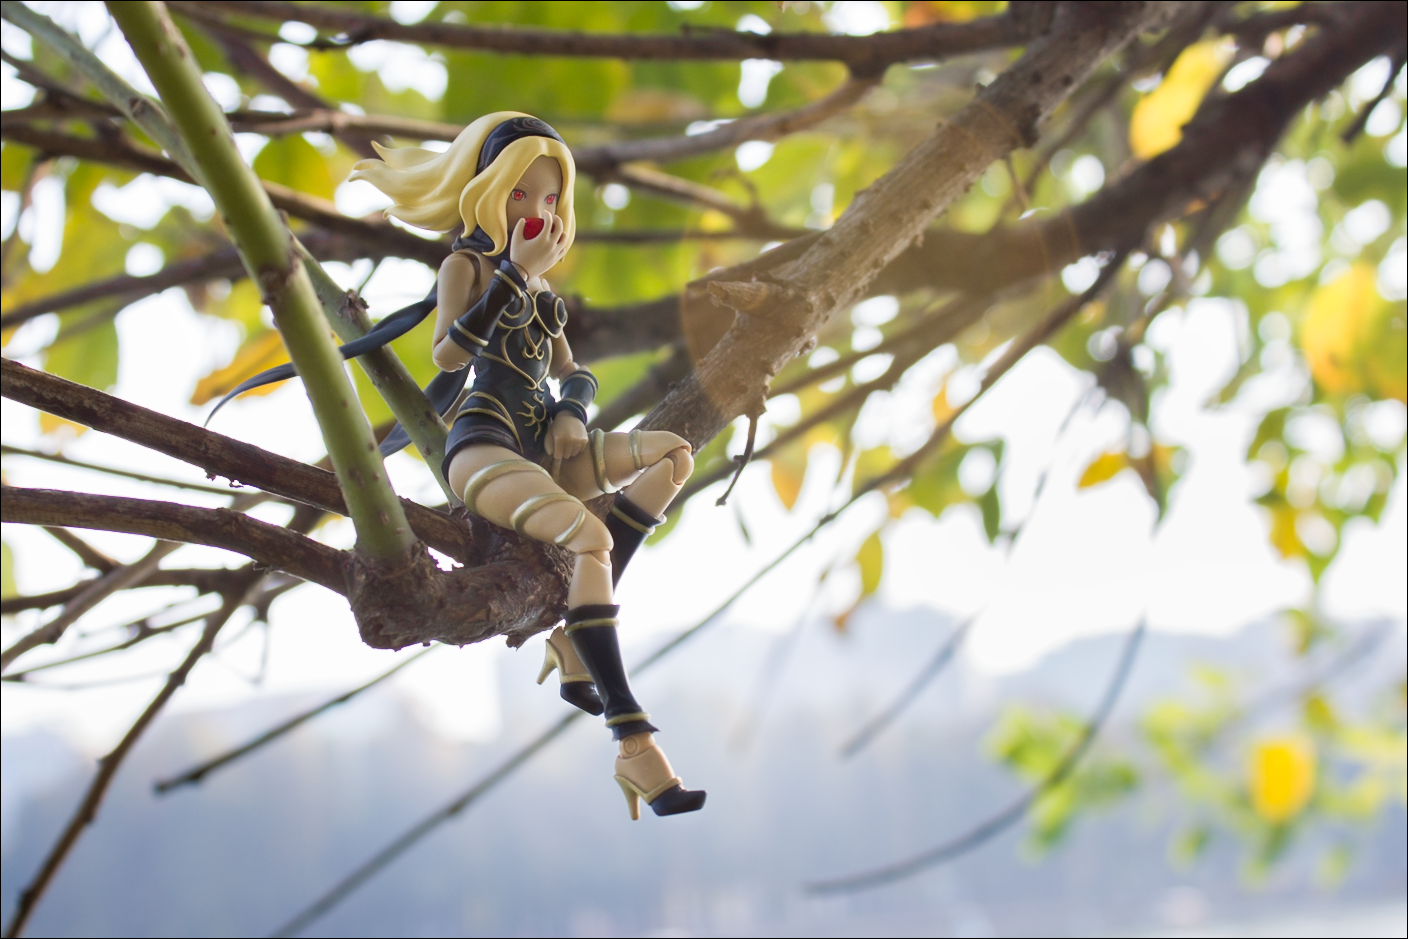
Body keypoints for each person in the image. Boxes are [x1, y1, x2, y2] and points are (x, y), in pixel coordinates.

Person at [345, 112, 704, 819]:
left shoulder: (543, 293)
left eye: (548, 198)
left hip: (549, 445)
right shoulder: (468, 268)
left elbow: (575, 373)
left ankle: (574, 635)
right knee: (590, 537)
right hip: (485, 447)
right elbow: (449, 353)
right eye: (521, 195)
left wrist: (573, 408)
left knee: (673, 455)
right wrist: (511, 273)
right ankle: (632, 740)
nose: (537, 211)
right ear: (487, 193)